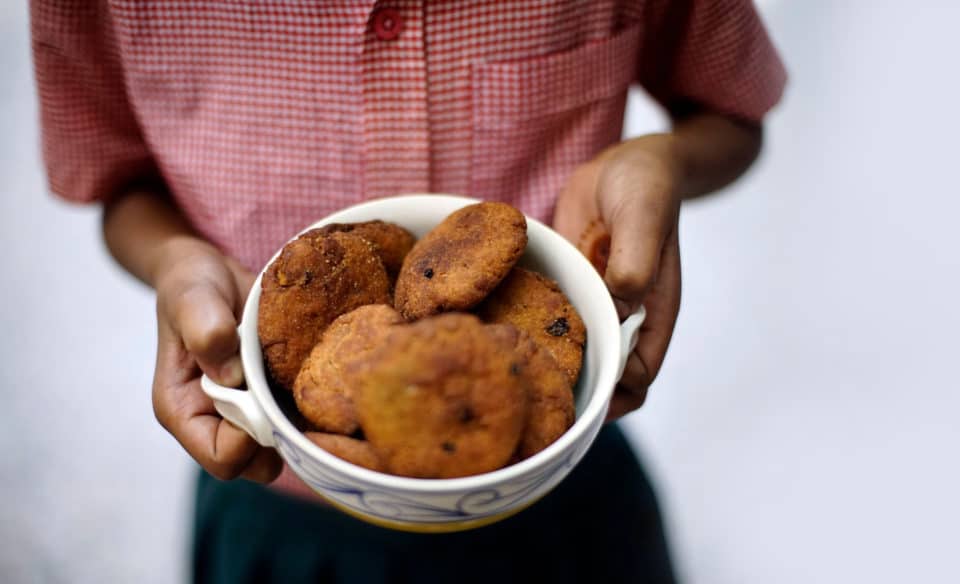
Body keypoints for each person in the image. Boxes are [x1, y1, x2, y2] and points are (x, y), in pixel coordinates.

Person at [32, 1, 785, 581]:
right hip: (282, 503)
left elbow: (735, 116)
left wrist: (664, 161)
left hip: (558, 487)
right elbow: (116, 181)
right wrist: (174, 261)